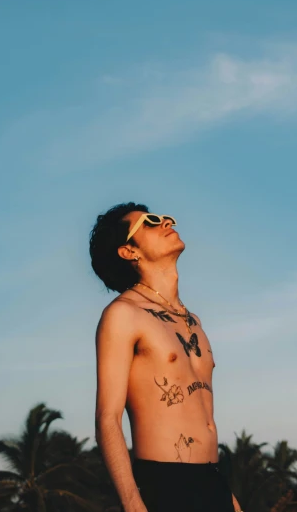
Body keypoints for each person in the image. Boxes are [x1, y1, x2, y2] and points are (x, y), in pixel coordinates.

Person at [90, 202, 242, 512]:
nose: (166, 222)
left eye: (164, 217)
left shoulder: (193, 320)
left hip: (213, 482)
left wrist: (230, 500)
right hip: (165, 486)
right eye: (149, 222)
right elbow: (107, 418)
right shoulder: (123, 315)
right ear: (128, 251)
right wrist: (133, 503)